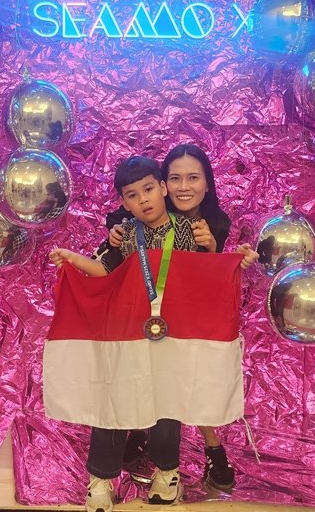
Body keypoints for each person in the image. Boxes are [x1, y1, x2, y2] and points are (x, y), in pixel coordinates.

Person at [51, 156, 250, 511]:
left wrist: (230, 259)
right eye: (132, 195)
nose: (143, 200)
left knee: (166, 405)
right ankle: (100, 479)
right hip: (129, 334)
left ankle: (167, 474)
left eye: (148, 189)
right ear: (124, 202)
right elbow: (104, 271)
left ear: (162, 188)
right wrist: (73, 260)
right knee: (113, 400)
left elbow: (207, 278)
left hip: (172, 336)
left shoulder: (192, 230)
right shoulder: (127, 234)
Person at [95, 144, 246, 492]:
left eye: (193, 178)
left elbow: (213, 284)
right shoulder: (126, 221)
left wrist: (217, 252)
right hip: (142, 318)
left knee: (196, 373)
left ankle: (212, 448)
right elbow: (112, 267)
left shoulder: (214, 224)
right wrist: (112, 240)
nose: (183, 187)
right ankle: (140, 435)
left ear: (207, 184)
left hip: (193, 316)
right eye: (175, 178)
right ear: (163, 184)